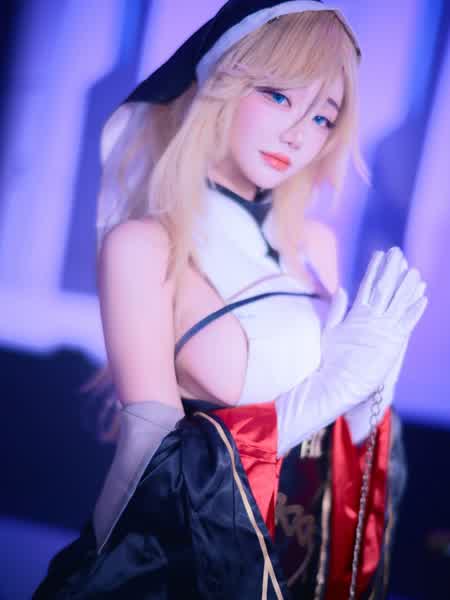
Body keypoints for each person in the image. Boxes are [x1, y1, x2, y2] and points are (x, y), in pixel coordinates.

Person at [34, 1, 428, 598]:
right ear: (221, 81)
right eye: (279, 95)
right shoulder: (143, 246)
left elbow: (342, 489)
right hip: (170, 577)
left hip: (291, 570)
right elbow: (146, 477)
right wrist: (315, 402)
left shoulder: (314, 246)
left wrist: (367, 405)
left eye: (323, 117)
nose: (299, 134)